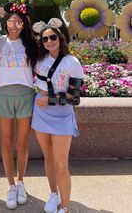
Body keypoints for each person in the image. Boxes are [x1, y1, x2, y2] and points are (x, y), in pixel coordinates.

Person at [31, 18, 84, 213]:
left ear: (60, 38)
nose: (50, 41)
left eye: (53, 37)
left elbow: (75, 97)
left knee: (61, 164)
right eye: (45, 39)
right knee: (48, 158)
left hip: (61, 114)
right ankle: (53, 193)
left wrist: (50, 100)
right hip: (41, 112)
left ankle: (64, 206)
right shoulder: (39, 59)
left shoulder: (72, 62)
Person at [0, 2, 38, 210]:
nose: (14, 25)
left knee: (22, 144)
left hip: (25, 95)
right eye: (11, 21)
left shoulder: (31, 45)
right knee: (6, 143)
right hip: (3, 94)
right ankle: (10, 185)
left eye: (18, 22)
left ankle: (21, 182)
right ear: (6, 23)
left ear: (23, 25)